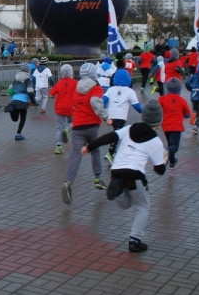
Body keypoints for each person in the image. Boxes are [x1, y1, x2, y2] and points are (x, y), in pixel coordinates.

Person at [82, 99, 167, 252]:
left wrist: (89, 147)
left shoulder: (129, 128)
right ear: (159, 122)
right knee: (143, 207)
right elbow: (160, 170)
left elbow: (109, 138)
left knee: (128, 204)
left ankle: (119, 193)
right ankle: (135, 240)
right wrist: (164, 159)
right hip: (135, 176)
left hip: (117, 171)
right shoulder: (156, 141)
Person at [61, 62, 107, 203]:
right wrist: (106, 116)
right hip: (92, 126)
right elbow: (95, 102)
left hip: (77, 126)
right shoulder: (96, 88)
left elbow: (74, 104)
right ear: (94, 75)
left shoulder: (76, 89)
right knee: (95, 150)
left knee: (76, 153)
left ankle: (68, 182)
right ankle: (98, 178)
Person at [103, 69, 143, 163]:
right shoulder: (130, 91)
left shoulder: (111, 89)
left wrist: (104, 111)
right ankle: (111, 152)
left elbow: (103, 99)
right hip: (121, 116)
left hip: (111, 115)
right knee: (118, 133)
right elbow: (136, 105)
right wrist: (144, 112)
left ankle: (113, 152)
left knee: (117, 132)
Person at [158, 78, 191, 168]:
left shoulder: (162, 99)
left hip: (165, 126)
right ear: (179, 89)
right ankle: (165, 151)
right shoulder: (182, 100)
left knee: (170, 144)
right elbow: (188, 114)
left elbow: (157, 107)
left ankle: (172, 161)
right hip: (176, 127)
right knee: (174, 147)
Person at [50, 63, 77, 155]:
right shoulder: (75, 83)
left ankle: (58, 146)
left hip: (60, 107)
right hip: (71, 107)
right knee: (73, 122)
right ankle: (67, 129)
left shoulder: (59, 83)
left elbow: (51, 93)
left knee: (59, 127)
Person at [6, 63, 34, 140]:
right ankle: (18, 134)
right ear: (28, 70)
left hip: (14, 100)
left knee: (15, 119)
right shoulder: (28, 79)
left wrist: (13, 96)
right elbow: (30, 91)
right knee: (23, 117)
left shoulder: (15, 78)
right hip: (23, 101)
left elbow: (10, 89)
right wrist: (33, 101)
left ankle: (11, 109)